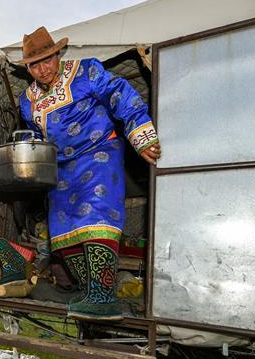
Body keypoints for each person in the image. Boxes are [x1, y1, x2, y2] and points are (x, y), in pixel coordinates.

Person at [15, 26, 162, 322]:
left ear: (58, 55)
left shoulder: (86, 72)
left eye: (47, 59)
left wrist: (141, 133)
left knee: (96, 216)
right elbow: (35, 137)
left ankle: (104, 295)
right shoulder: (27, 100)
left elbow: (119, 93)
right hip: (60, 167)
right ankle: (89, 290)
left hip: (98, 154)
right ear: (27, 67)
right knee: (63, 230)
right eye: (34, 64)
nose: (42, 69)